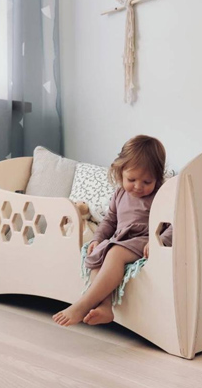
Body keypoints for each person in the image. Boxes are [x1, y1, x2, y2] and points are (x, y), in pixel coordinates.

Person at [52, 135, 167, 327]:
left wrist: (157, 241)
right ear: (120, 172)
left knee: (114, 253)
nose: (138, 186)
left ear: (157, 177)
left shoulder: (161, 196)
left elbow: (172, 224)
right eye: (132, 179)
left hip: (143, 239)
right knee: (99, 253)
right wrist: (98, 238)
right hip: (120, 239)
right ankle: (105, 306)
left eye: (147, 182)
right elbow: (109, 220)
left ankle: (83, 305)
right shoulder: (120, 193)